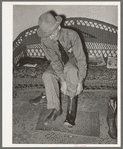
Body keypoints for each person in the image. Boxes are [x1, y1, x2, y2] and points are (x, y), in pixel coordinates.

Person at [36, 11, 87, 128]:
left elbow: (81, 59)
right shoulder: (45, 40)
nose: (49, 37)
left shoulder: (72, 35)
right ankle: (56, 109)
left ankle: (70, 112)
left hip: (72, 60)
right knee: (47, 75)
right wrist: (63, 81)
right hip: (58, 62)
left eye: (51, 33)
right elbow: (54, 61)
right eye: (46, 34)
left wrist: (80, 82)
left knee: (71, 69)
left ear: (59, 27)